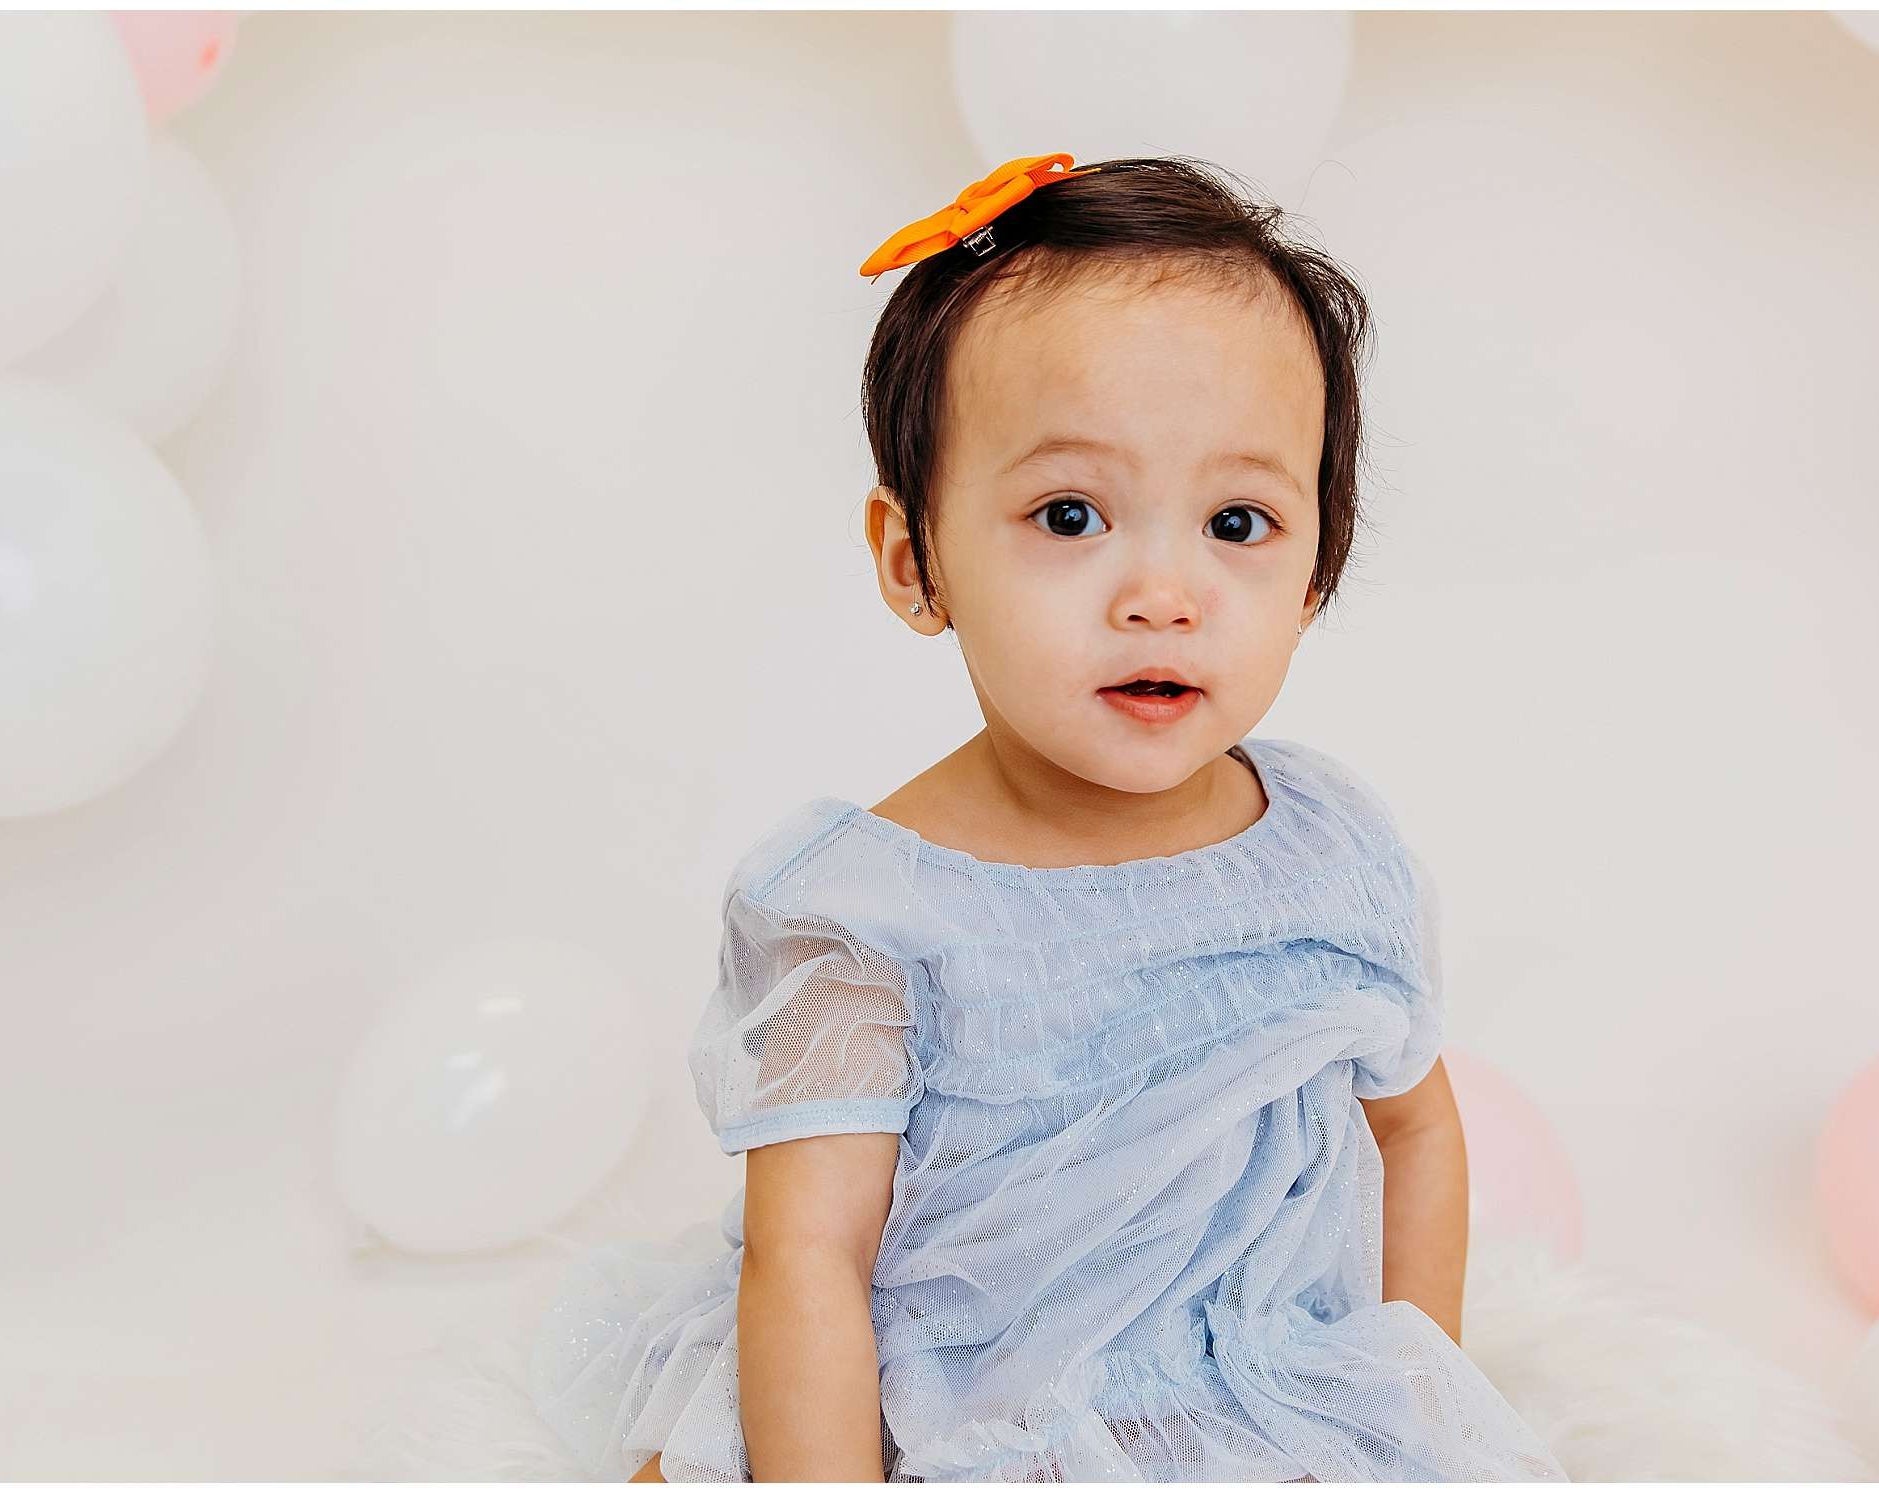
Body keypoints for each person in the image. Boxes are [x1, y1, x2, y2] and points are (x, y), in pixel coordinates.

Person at [526, 153, 1569, 1483]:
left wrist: (1412, 1401)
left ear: (1319, 569)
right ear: (917, 560)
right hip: (959, 1391)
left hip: (1247, 1380)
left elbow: (1413, 1125)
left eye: (1237, 520)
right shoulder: (854, 912)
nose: (1162, 591)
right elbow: (810, 1260)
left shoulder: (1330, 845)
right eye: (1071, 515)